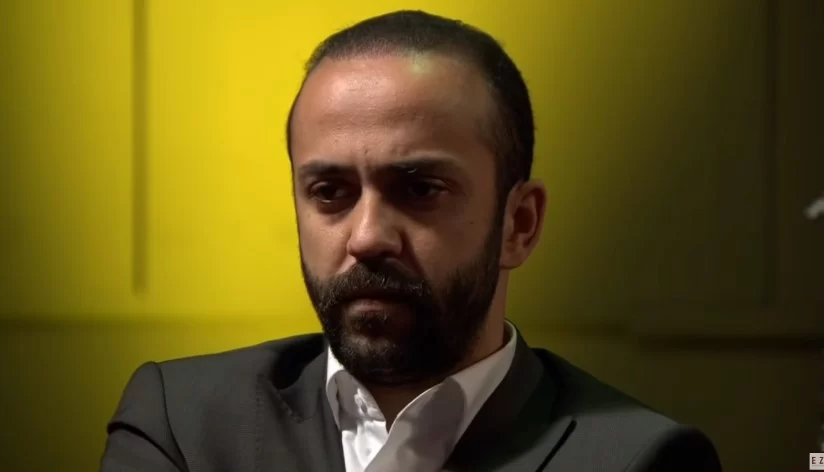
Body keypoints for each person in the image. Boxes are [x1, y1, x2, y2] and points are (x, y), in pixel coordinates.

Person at [100, 10, 722, 472]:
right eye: (329, 192)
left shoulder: (640, 459)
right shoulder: (182, 424)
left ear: (519, 224)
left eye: (421, 189)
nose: (368, 236)